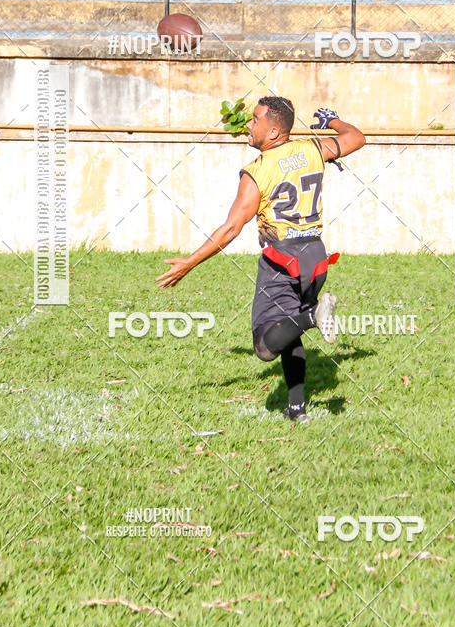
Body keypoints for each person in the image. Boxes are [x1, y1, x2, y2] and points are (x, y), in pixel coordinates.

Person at [157, 97, 366, 422]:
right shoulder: (312, 149)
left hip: (281, 261)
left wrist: (190, 262)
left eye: (255, 120)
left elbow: (230, 229)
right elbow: (357, 138)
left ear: (272, 131)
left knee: (265, 345)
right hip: (315, 257)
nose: (249, 126)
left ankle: (314, 316)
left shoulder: (257, 171)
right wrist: (333, 121)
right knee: (288, 329)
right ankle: (297, 408)